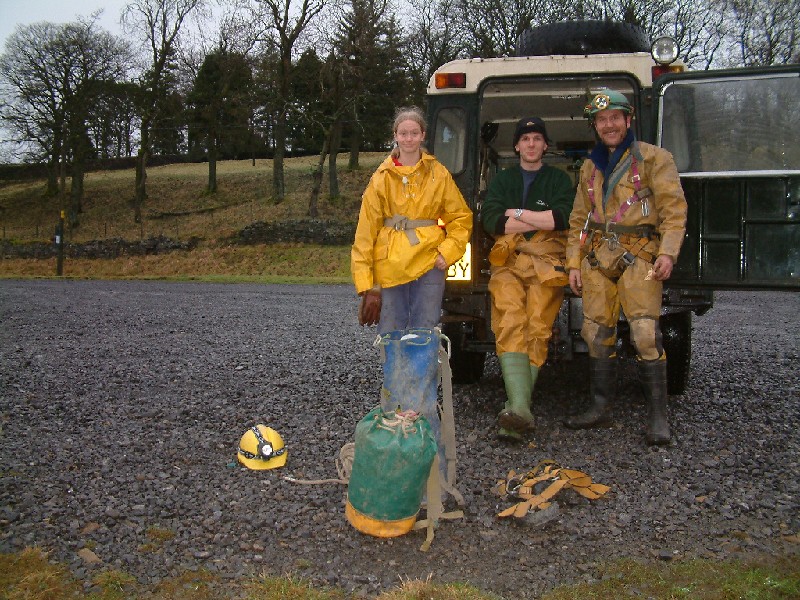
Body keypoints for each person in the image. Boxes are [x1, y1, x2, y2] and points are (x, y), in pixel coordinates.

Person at [563, 89, 687, 445]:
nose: (609, 125)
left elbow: (674, 210)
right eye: (602, 120)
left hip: (641, 258)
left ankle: (658, 418)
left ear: (628, 120)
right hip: (598, 259)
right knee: (595, 334)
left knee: (646, 335)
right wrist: (574, 263)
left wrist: (667, 252)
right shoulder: (591, 166)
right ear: (596, 126)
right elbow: (577, 220)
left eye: (615, 118)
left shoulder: (654, 159)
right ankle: (600, 408)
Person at [480, 117, 574, 441]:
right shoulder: (502, 180)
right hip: (508, 260)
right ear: (517, 145)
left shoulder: (559, 181)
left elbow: (562, 218)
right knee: (509, 318)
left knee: (538, 324)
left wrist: (516, 213)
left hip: (547, 262)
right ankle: (520, 409)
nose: (531, 144)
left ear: (545, 145)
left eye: (537, 138)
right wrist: (537, 220)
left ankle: (516, 410)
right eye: (526, 139)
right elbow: (491, 221)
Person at [351, 106, 473, 333]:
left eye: (414, 133)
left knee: (425, 330)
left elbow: (461, 218)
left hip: (430, 262)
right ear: (395, 135)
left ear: (423, 135)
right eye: (403, 133)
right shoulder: (380, 178)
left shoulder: (439, 173)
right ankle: (396, 370)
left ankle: (422, 370)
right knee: (391, 330)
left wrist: (447, 252)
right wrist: (366, 283)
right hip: (390, 265)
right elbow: (365, 233)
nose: (409, 138)